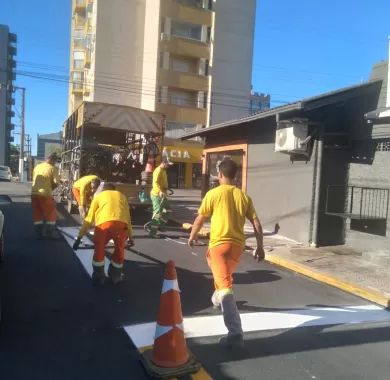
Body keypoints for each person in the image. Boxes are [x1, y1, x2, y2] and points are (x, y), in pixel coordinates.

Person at [188, 158, 265, 349]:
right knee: (223, 278)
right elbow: (256, 223)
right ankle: (216, 299)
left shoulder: (213, 194)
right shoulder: (244, 197)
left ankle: (235, 333)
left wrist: (192, 236)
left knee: (225, 287)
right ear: (235, 175)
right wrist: (260, 246)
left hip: (219, 247)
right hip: (237, 248)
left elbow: (200, 218)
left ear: (220, 175)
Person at [73, 183, 133, 286]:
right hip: (121, 225)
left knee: (99, 249)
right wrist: (130, 236)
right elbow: (128, 217)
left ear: (103, 190)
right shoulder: (122, 196)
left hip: (104, 225)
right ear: (114, 190)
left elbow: (89, 219)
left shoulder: (99, 196)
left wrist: (79, 237)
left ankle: (99, 276)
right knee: (119, 250)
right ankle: (116, 276)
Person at [31, 153, 60, 239]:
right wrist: (51, 189)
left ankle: (39, 232)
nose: (55, 163)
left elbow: (34, 179)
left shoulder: (37, 167)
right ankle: (49, 233)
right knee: (50, 213)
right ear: (52, 160)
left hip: (34, 194)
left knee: (37, 213)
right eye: (55, 161)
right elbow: (56, 182)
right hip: (45, 194)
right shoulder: (53, 168)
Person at [148, 157, 173, 235]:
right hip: (156, 195)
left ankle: (160, 225)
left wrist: (166, 188)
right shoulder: (158, 170)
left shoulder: (163, 171)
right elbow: (155, 183)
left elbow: (162, 182)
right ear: (163, 163)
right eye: (168, 164)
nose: (168, 166)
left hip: (163, 194)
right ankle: (152, 232)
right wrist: (159, 191)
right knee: (158, 212)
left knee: (168, 210)